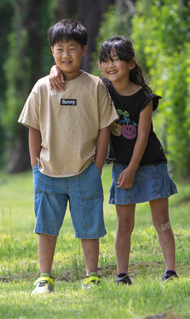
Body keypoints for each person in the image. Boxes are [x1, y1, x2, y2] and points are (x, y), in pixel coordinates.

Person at [50, 35, 178, 285]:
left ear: (131, 64)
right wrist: (55, 68)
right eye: (105, 61)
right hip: (121, 164)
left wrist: (132, 169)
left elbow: (142, 137)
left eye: (116, 60)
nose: (110, 65)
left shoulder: (144, 97)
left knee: (161, 220)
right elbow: (72, 72)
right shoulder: (101, 88)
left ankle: (170, 271)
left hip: (150, 163)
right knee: (124, 222)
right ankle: (122, 274)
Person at [18, 19, 118, 294]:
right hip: (48, 170)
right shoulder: (42, 86)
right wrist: (34, 164)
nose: (65, 55)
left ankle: (92, 276)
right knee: (46, 228)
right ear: (52, 51)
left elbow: (104, 128)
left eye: (72, 48)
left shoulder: (95, 86)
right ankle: (44, 277)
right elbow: (33, 127)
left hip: (85, 169)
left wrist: (97, 166)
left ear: (83, 50)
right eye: (59, 49)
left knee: (90, 226)